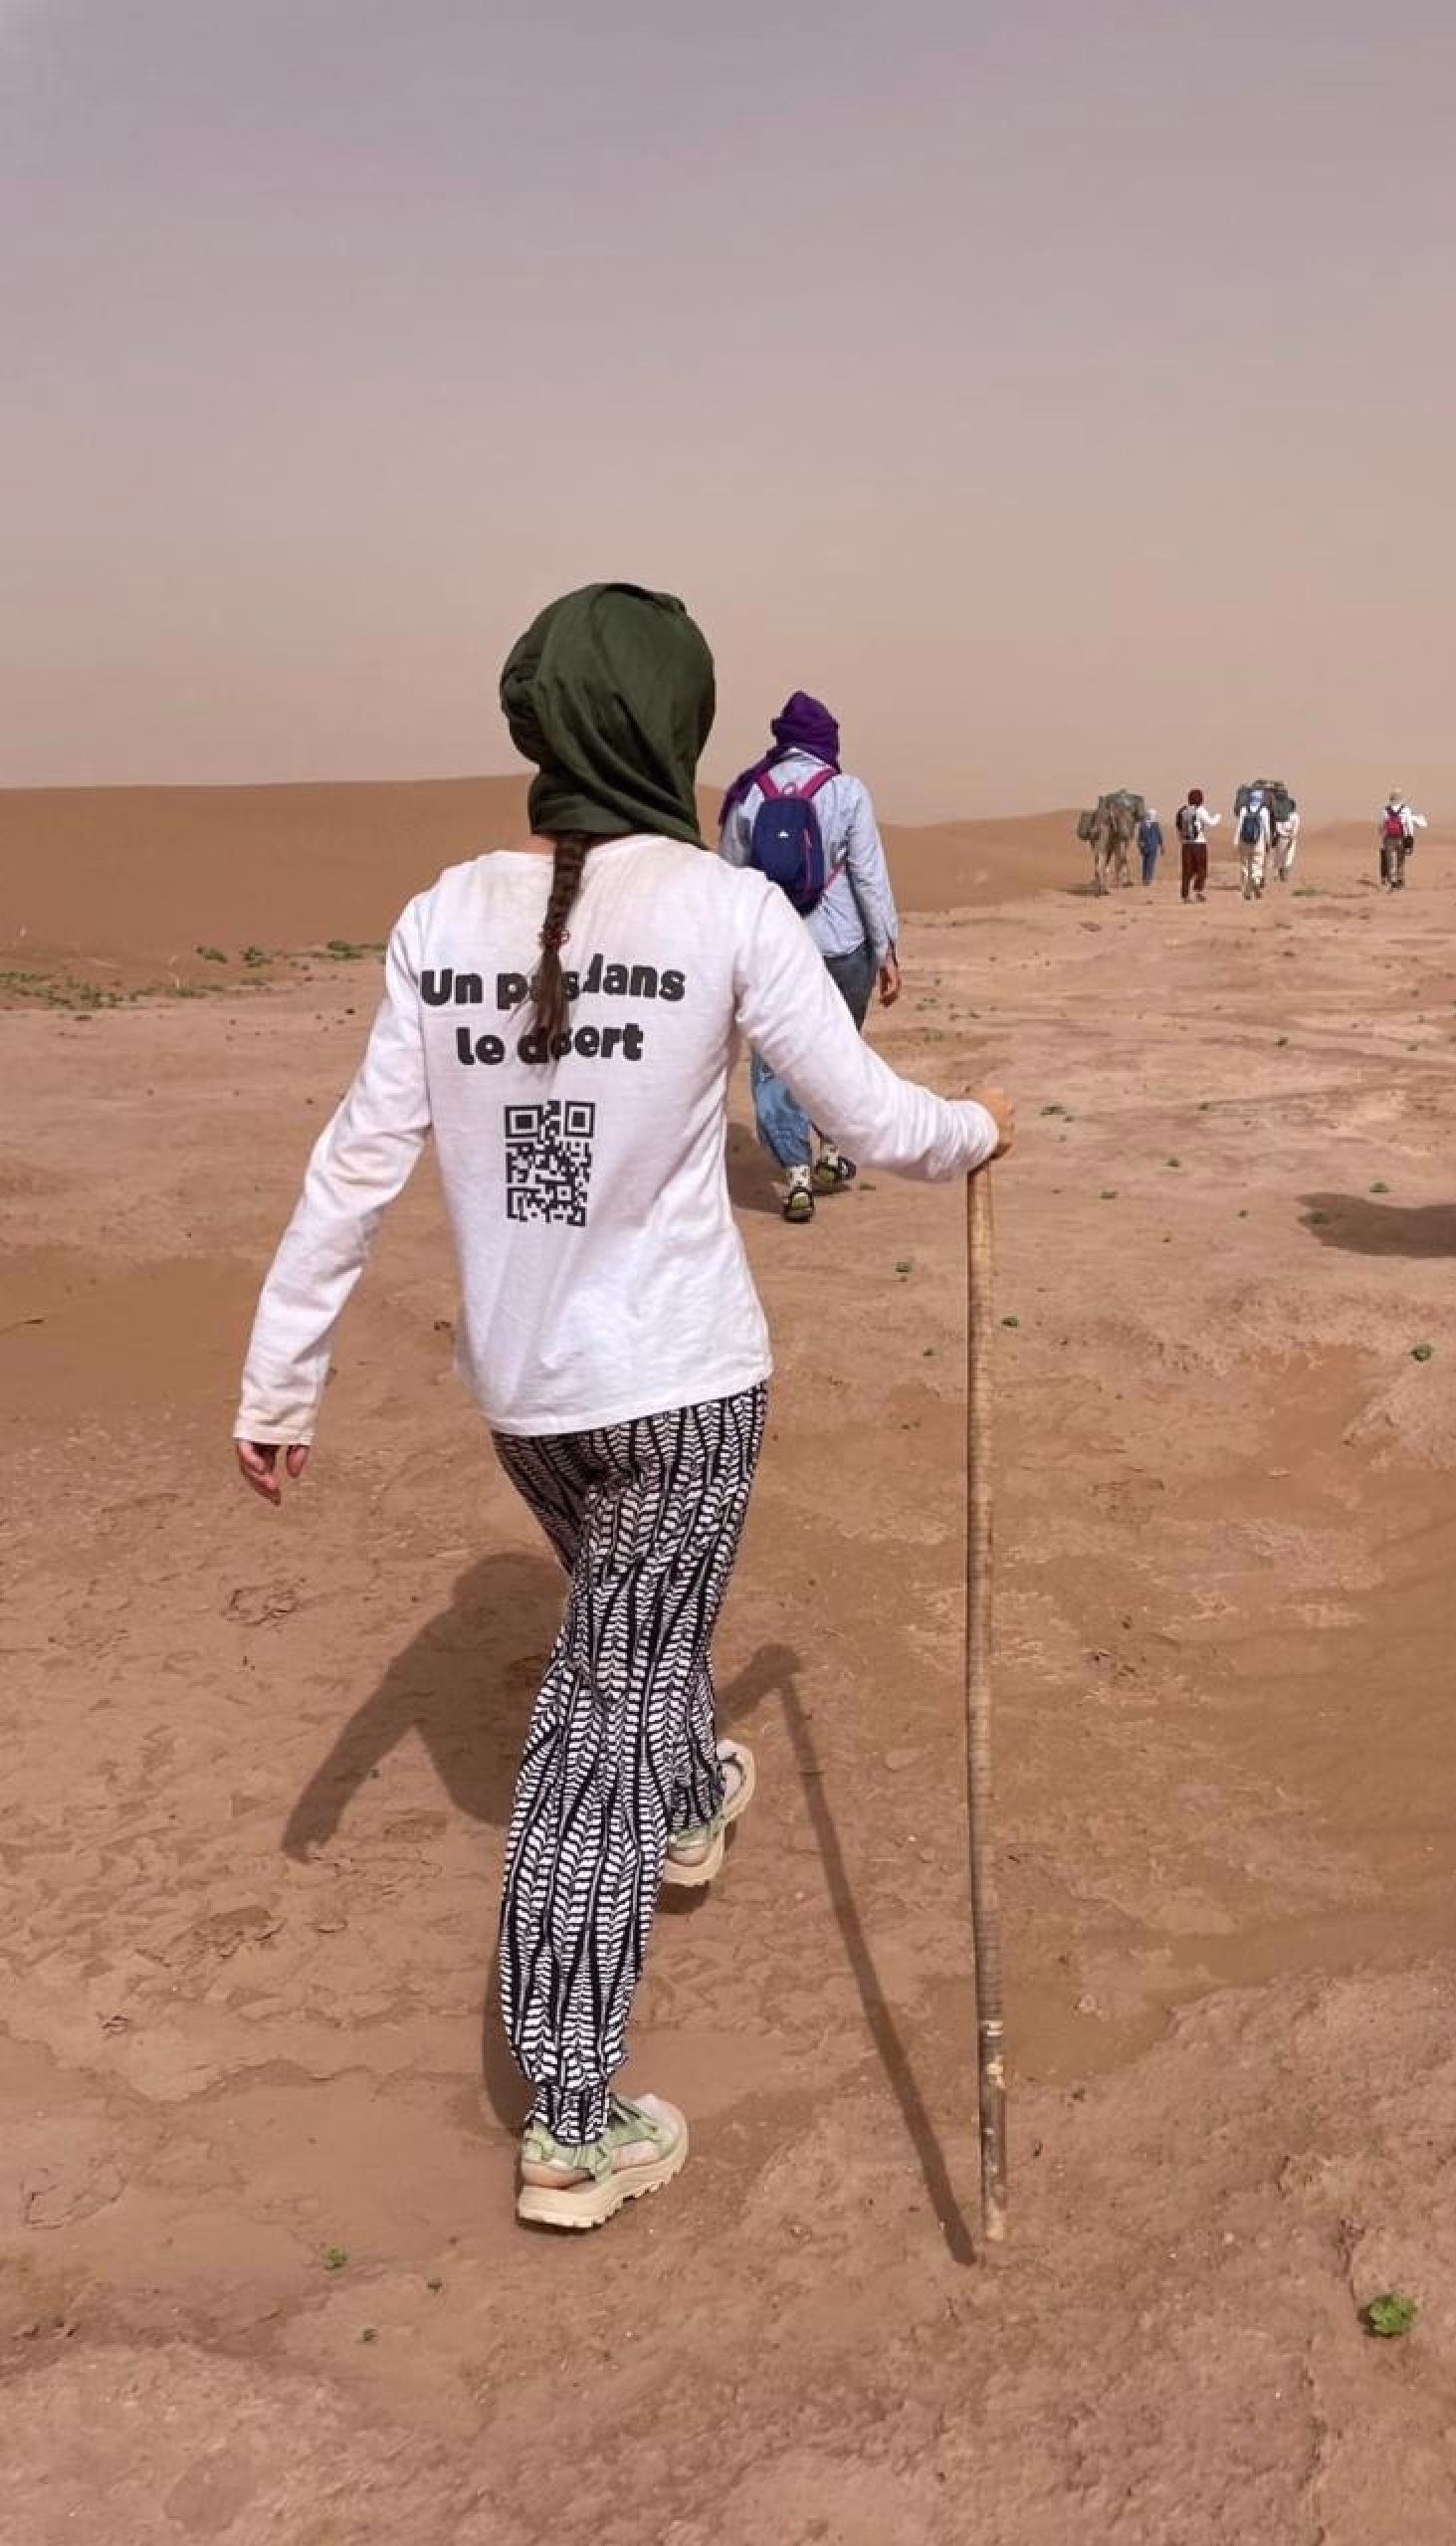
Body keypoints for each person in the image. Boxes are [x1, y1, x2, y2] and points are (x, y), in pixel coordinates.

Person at [232, 582, 1014, 2229]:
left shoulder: (441, 913)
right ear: (675, 724)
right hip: (681, 1396)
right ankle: (573, 2115)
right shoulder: (730, 911)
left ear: (539, 720)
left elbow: (357, 1162)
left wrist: (280, 1375)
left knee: (635, 1637)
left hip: (531, 1402)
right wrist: (977, 1129)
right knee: (601, 1699)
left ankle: (681, 1798)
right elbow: (869, 1116)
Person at [719, 692, 902, 1224]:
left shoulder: (750, 792)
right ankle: (836, 1151)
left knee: (775, 1062)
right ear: (828, 740)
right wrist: (887, 950)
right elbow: (868, 877)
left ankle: (795, 1176)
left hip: (775, 951)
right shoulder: (847, 791)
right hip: (844, 947)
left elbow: (729, 878)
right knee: (839, 1050)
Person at [1177, 788, 1219, 901]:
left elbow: (1179, 828)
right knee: (1201, 870)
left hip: (1186, 845)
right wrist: (1218, 816)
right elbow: (1211, 823)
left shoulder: (1182, 810)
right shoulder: (1200, 810)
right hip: (1199, 844)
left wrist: (1182, 841)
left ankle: (1185, 895)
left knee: (1187, 871)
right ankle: (1198, 891)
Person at [1235, 785, 1272, 902]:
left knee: (1245, 866)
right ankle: (1256, 882)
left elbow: (1239, 826)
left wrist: (1235, 841)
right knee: (1257, 863)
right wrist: (1268, 842)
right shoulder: (1264, 810)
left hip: (1244, 842)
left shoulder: (1243, 809)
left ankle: (1246, 892)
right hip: (1258, 842)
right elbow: (1266, 828)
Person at [1269, 781, 1301, 885]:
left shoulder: (1289, 815)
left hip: (1285, 837)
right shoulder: (1288, 815)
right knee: (1282, 856)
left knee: (1285, 856)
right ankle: (1280, 873)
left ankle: (1283, 874)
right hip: (1285, 837)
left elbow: (1293, 828)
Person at [1378, 791, 1412, 890]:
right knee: (1400, 861)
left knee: (1391, 861)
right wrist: (1410, 837)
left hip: (1389, 839)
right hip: (1402, 838)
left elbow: (1381, 826)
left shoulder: (1385, 810)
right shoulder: (1406, 809)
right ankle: (1400, 882)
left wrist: (1382, 837)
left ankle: (1393, 882)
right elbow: (1409, 825)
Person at [1138, 804, 1165, 888]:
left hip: (1145, 847)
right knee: (1150, 863)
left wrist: (1140, 846)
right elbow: (1159, 835)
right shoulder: (1155, 824)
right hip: (1152, 847)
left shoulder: (1142, 824)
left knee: (1145, 863)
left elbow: (1140, 837)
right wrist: (1162, 845)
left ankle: (1145, 879)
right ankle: (1147, 879)